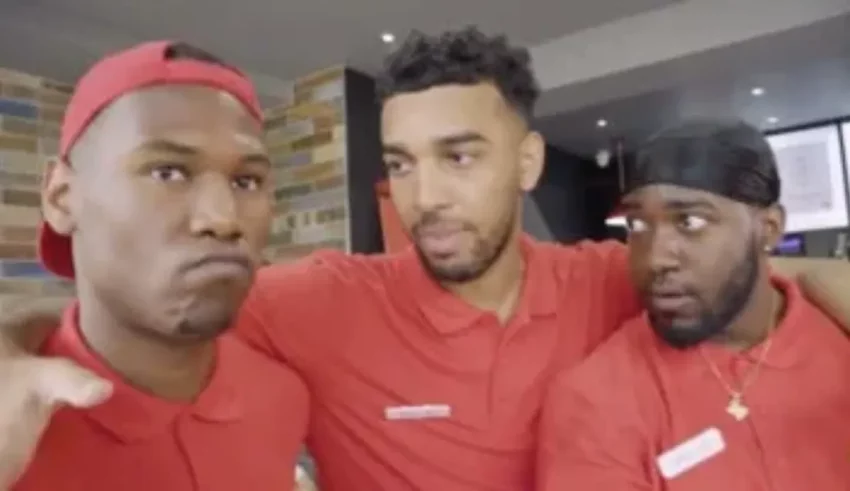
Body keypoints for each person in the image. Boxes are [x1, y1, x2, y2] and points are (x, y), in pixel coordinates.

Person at [0, 29, 848, 491]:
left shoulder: (605, 277)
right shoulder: (319, 302)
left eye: (460, 156)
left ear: (526, 164)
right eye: (400, 163)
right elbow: (139, 309)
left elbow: (761, 278)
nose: (424, 196)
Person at [8, 41, 309, 490]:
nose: (222, 217)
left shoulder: (282, 397)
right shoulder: (14, 426)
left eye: (246, 180)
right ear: (61, 197)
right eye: (168, 172)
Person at [537, 120, 850, 491]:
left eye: (690, 221)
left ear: (768, 228)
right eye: (637, 225)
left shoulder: (838, 329)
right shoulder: (597, 401)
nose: (654, 259)